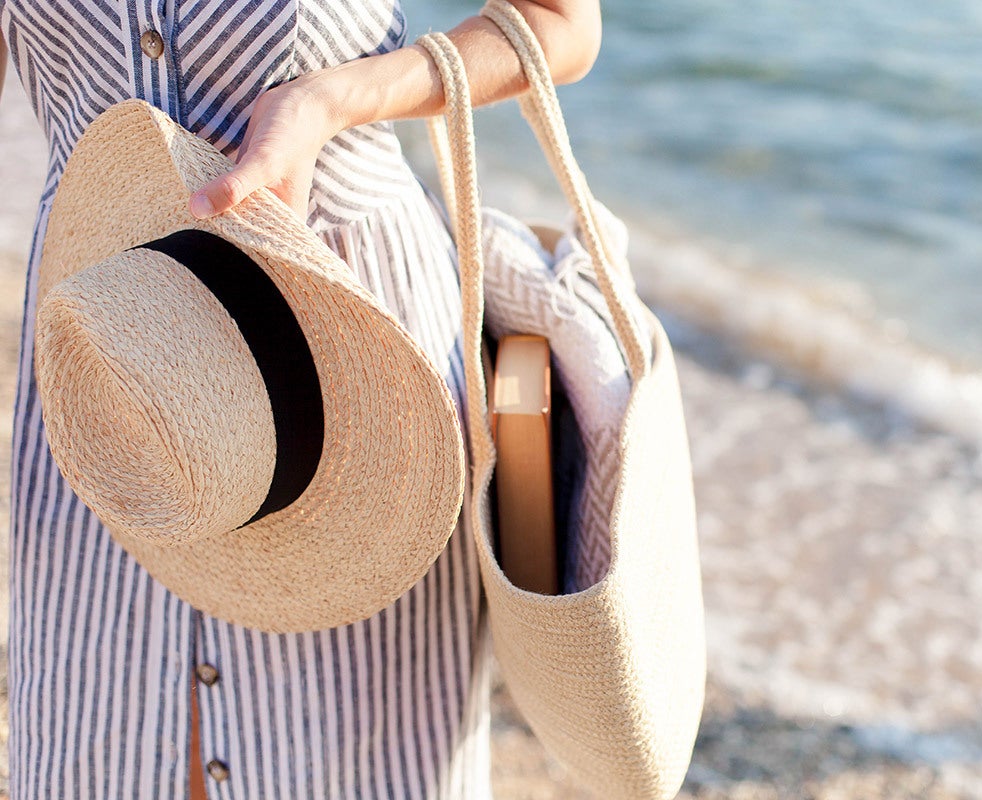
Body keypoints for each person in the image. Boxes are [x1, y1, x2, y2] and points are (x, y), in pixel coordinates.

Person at [0, 1, 601, 797]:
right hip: (104, 348)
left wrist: (333, 98)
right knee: (100, 747)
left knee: (356, 765)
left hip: (350, 369)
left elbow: (558, 23)